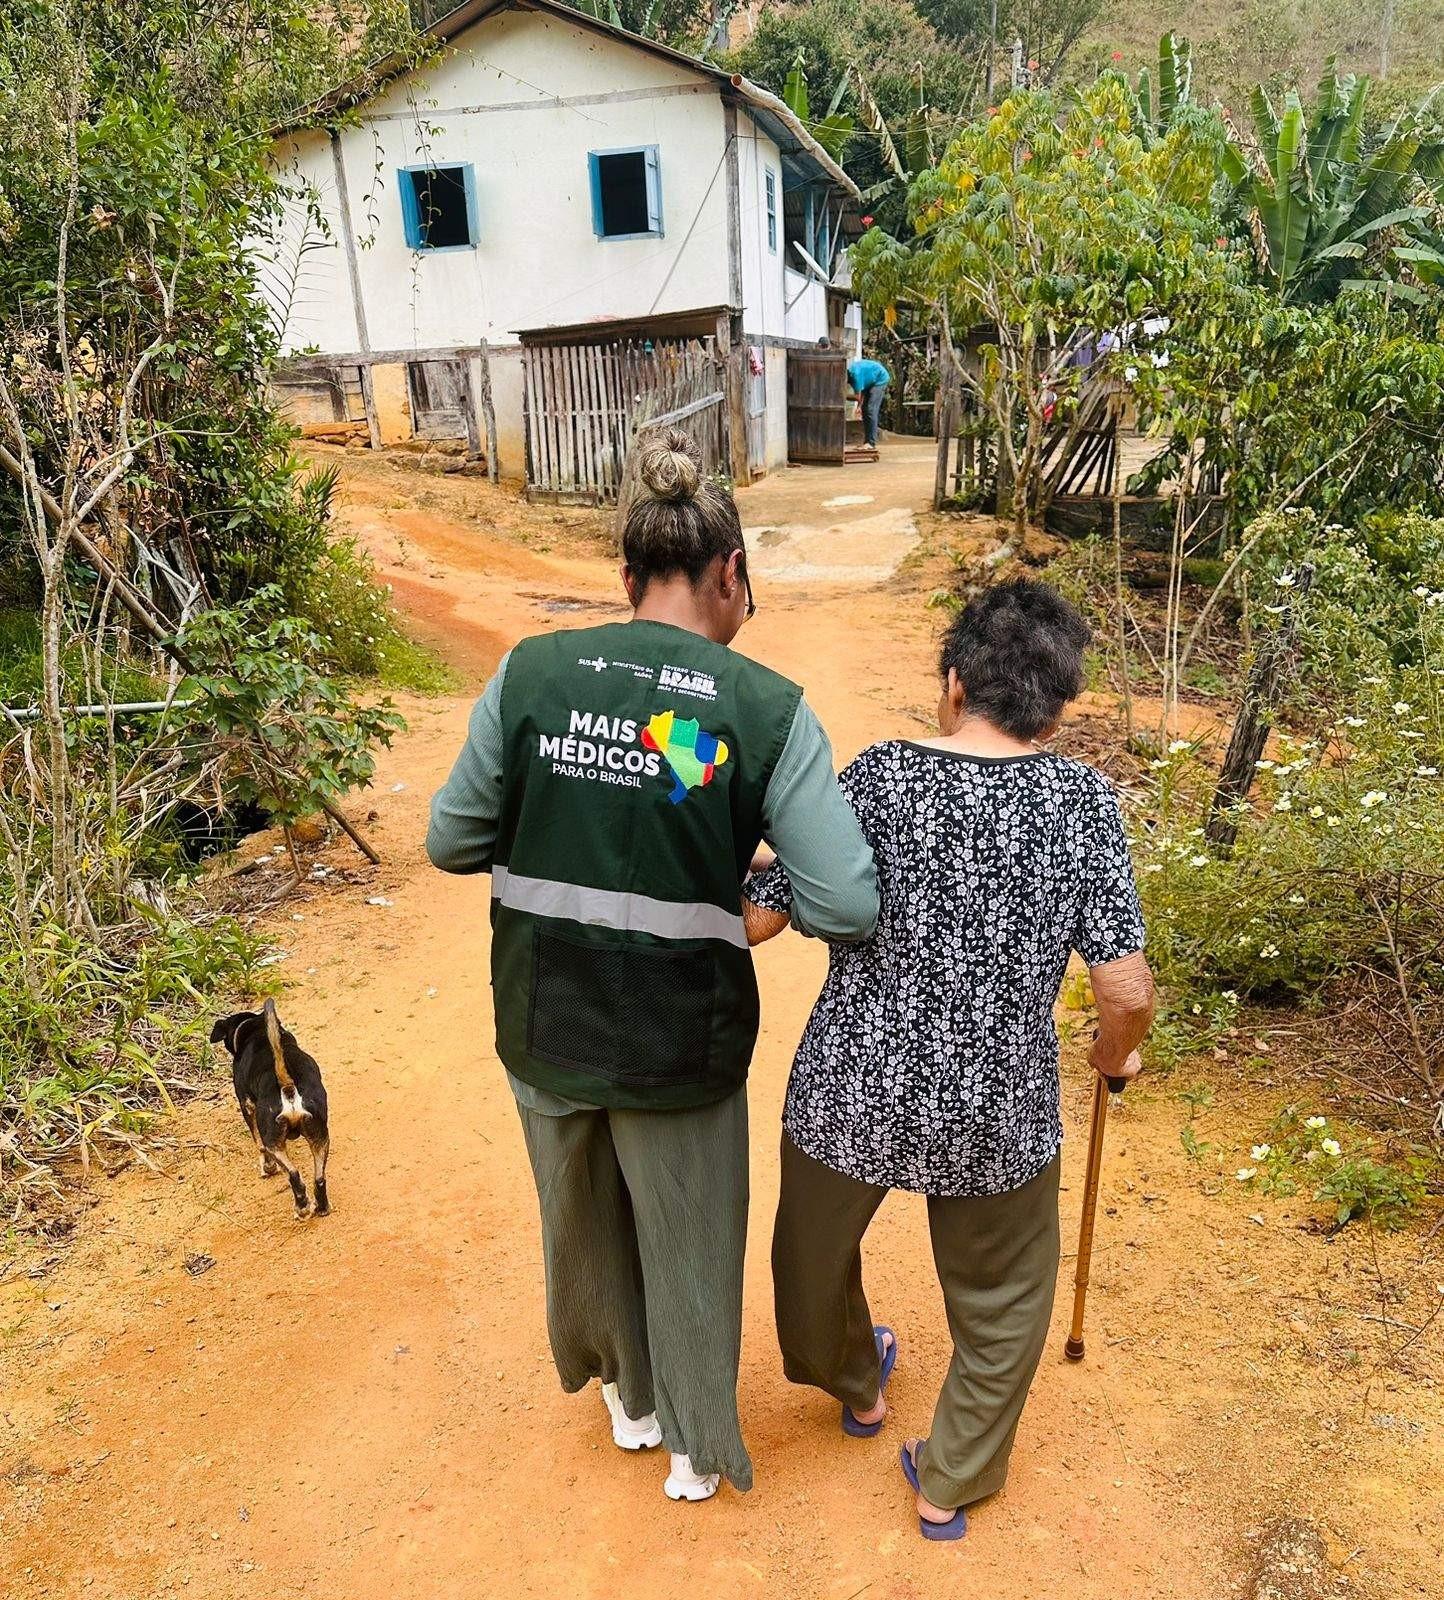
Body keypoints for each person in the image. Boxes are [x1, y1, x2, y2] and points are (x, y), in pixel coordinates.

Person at [426, 429, 878, 1505]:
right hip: (682, 1037)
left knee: (581, 1215)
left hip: (545, 1018)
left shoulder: (534, 672)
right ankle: (692, 1444)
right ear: (732, 572)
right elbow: (846, 899)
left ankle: (624, 1398)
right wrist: (749, 869)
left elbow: (452, 839)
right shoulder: (758, 709)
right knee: (689, 1232)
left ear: (625, 578)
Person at [744, 579, 1154, 1542]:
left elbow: (769, 909)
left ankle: (855, 1381)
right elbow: (1127, 994)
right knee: (1006, 1298)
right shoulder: (1083, 802)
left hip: (854, 1089)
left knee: (811, 1255)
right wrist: (1109, 1057)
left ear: (956, 682)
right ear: (1053, 708)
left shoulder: (883, 777)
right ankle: (950, 1478)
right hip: (997, 1108)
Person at [846, 354, 891, 447]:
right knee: (865, 410)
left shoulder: (855, 376)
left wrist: (843, 396)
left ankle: (871, 442)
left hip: (880, 379)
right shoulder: (851, 374)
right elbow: (861, 392)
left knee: (871, 410)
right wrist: (859, 407)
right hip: (870, 381)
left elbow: (857, 396)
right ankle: (867, 441)